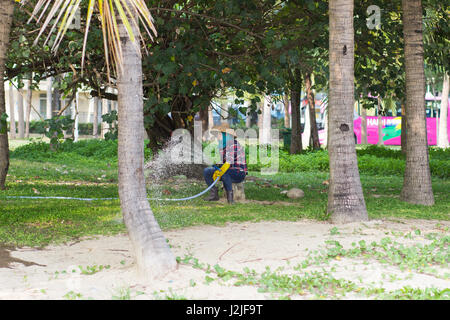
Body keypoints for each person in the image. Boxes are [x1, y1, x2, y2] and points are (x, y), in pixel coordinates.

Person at [204, 123, 247, 204]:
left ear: (225, 135)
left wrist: (220, 171)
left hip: (238, 173)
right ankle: (214, 195)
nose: (217, 137)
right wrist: (217, 166)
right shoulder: (222, 147)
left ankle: (230, 199)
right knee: (207, 171)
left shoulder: (233, 144)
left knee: (225, 173)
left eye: (219, 135)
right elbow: (223, 163)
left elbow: (228, 162)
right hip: (228, 171)